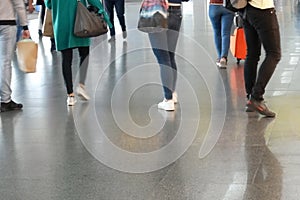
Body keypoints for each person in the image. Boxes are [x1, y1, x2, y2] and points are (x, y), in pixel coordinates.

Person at [44, 0, 112, 106]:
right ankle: (81, 85)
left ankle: (70, 96)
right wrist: (103, 12)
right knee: (84, 54)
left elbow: (48, 4)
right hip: (80, 21)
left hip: (61, 24)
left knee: (66, 59)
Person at [244, 0, 281, 117]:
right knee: (274, 54)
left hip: (247, 11)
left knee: (252, 54)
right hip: (262, 9)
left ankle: (250, 97)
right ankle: (256, 97)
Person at [148, 0, 183, 111]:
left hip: (158, 11)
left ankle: (168, 100)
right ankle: (171, 93)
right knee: (170, 55)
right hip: (176, 11)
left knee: (163, 57)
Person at [0, 0, 31, 112]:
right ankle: (5, 100)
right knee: (5, 62)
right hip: (6, 24)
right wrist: (25, 26)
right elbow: (19, 5)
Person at [208, 0, 234, 69]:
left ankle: (220, 57)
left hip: (214, 5)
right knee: (226, 33)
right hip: (229, 7)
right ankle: (224, 57)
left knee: (217, 32)